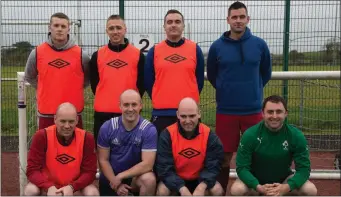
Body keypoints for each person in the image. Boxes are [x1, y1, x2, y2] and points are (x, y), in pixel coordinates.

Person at [206, 1, 272, 190]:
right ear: (228, 20)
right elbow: (212, 75)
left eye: (242, 17)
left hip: (252, 110)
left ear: (248, 19)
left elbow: (265, 73)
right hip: (226, 111)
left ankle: (259, 191)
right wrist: (226, 90)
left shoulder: (259, 45)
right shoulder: (217, 47)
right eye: (234, 17)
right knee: (224, 156)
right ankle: (221, 192)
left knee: (257, 154)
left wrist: (253, 90)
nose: (238, 21)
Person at [230, 95, 317, 196]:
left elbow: (304, 169)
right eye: (270, 112)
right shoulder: (250, 135)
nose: (274, 116)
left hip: (283, 182)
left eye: (279, 112)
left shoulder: (296, 135)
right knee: (237, 190)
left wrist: (287, 187)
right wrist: (257, 186)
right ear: (263, 114)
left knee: (310, 190)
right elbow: (242, 168)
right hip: (256, 182)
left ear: (286, 113)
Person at [25, 12, 90, 130]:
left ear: (68, 29)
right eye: (56, 25)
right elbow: (29, 76)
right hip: (46, 112)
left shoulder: (81, 54)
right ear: (49, 27)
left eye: (63, 26)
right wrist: (45, 87)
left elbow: (88, 78)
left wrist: (75, 87)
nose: (59, 29)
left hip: (73, 114)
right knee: (48, 147)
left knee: (74, 147)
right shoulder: (37, 53)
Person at [145, 9, 205, 135]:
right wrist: (160, 97)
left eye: (177, 21)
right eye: (169, 22)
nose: (173, 25)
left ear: (183, 26)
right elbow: (148, 82)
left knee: (190, 153)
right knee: (162, 153)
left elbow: (199, 81)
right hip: (162, 113)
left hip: (188, 114)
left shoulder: (194, 49)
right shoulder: (154, 51)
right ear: (164, 27)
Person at [89, 14, 145, 143]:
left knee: (129, 153)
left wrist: (131, 102)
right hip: (103, 113)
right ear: (106, 31)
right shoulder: (97, 55)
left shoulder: (137, 55)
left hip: (129, 112)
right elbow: (94, 84)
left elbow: (141, 84)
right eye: (111, 28)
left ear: (125, 29)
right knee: (102, 153)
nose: (115, 31)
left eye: (118, 28)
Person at [24, 102, 98, 196]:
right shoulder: (42, 136)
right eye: (62, 121)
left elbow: (90, 172)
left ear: (77, 120)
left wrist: (72, 187)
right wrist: (49, 187)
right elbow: (32, 170)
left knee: (93, 193)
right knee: (31, 190)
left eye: (71, 121)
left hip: (75, 186)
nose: (67, 126)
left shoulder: (87, 138)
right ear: (55, 119)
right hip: (48, 185)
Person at [156, 97, 224, 196]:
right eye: (183, 116)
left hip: (200, 180)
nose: (188, 121)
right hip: (175, 180)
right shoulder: (167, 135)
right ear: (177, 115)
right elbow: (164, 169)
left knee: (217, 190)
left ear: (199, 114)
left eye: (192, 116)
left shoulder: (209, 135)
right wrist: (181, 188)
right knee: (162, 191)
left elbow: (213, 167)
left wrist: (202, 186)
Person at [97, 89, 158, 196]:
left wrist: (121, 176)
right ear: (120, 106)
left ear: (140, 106)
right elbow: (103, 160)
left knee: (149, 179)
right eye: (126, 105)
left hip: (134, 178)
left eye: (134, 104)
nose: (130, 109)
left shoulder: (148, 129)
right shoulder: (107, 127)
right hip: (111, 177)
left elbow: (147, 164)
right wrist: (115, 182)